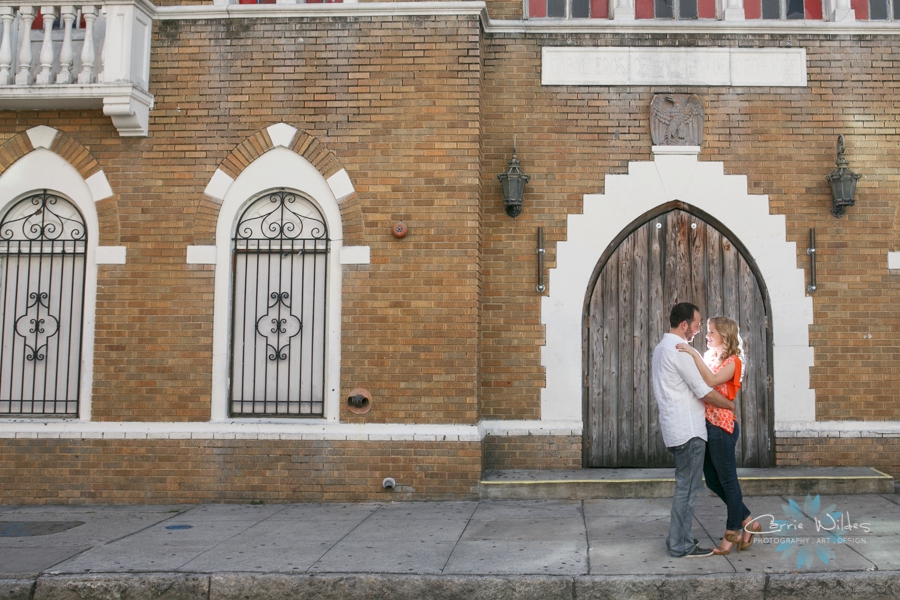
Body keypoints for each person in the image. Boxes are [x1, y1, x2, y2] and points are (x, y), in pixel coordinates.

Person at [651, 303, 736, 558]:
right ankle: (681, 546)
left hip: (676, 429)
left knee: (685, 488)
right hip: (688, 431)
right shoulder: (678, 351)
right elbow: (704, 390)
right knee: (687, 491)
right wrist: (730, 405)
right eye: (697, 325)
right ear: (684, 324)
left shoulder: (662, 348)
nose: (699, 330)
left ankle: (678, 539)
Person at [676, 316, 762, 555]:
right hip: (706, 426)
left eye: (712, 332)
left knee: (728, 481)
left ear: (724, 335)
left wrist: (692, 354)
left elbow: (711, 381)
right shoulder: (710, 358)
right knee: (713, 480)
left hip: (723, 428)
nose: (707, 335)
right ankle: (750, 523)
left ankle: (732, 532)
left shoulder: (734, 362)